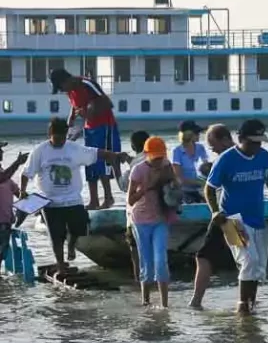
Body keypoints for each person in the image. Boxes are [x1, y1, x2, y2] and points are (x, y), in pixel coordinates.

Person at [20, 117, 128, 276]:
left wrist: (116, 155)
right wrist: (23, 190)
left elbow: (96, 153)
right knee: (56, 236)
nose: (60, 141)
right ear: (50, 134)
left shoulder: (73, 148)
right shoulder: (40, 151)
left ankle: (71, 245)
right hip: (50, 202)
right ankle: (61, 263)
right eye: (57, 138)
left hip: (73, 200)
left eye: (63, 137)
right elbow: (26, 173)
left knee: (80, 228)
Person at [205, 119, 268, 315]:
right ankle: (242, 306)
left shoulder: (263, 156)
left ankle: (251, 307)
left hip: (257, 219)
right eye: (253, 142)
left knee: (259, 267)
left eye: (260, 142)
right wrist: (215, 211)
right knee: (249, 261)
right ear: (241, 139)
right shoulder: (226, 159)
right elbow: (209, 188)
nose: (257, 146)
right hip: (233, 221)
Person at [49, 68, 121, 211]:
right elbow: (75, 107)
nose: (63, 90)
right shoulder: (70, 91)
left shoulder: (87, 84)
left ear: (67, 80)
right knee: (90, 163)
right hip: (89, 128)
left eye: (62, 87)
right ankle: (93, 200)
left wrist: (90, 111)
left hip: (104, 126)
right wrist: (71, 121)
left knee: (103, 162)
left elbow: (108, 103)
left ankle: (108, 198)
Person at [188, 124, 236, 309]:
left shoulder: (226, 158)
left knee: (204, 256)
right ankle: (248, 300)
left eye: (213, 144)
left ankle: (196, 301)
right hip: (235, 215)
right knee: (241, 258)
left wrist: (216, 211)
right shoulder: (244, 155)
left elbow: (210, 189)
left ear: (225, 139)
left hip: (225, 216)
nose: (212, 149)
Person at [127, 136, 174, 308]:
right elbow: (130, 200)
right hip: (140, 220)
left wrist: (172, 183)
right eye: (155, 158)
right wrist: (147, 187)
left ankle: (164, 305)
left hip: (160, 218)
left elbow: (175, 187)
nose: (158, 161)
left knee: (161, 260)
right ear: (146, 154)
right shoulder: (138, 170)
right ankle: (145, 301)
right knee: (146, 261)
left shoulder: (167, 166)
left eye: (161, 157)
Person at [117, 130, 150, 281]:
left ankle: (139, 279)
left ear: (132, 145)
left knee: (135, 248)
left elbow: (124, 185)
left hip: (136, 213)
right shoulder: (158, 159)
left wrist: (115, 166)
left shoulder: (135, 164)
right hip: (156, 212)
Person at [171, 120, 208, 203]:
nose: (199, 135)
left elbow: (206, 168)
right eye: (197, 133)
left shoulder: (201, 148)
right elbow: (179, 179)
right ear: (188, 134)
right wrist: (201, 183)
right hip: (184, 192)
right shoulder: (177, 151)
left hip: (200, 190)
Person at [0, 142, 21, 267]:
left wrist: (37, 205)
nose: (2, 152)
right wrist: (17, 163)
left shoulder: (4, 172)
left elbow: (18, 192)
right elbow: (2, 178)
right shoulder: (4, 174)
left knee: (2, 254)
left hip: (5, 222)